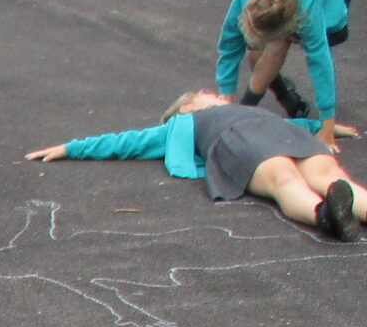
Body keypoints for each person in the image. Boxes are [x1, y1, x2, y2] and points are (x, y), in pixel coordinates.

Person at [25, 89, 361, 242]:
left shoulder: (240, 110)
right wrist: (71, 148)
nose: (213, 93)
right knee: (285, 178)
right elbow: (127, 141)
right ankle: (326, 215)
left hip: (277, 131)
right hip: (242, 137)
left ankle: (333, 212)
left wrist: (325, 127)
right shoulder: (182, 123)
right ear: (186, 108)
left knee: (323, 175)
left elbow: (296, 123)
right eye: (203, 93)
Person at [217, 0, 359, 150]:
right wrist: (226, 103)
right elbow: (229, 51)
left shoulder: (308, 10)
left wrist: (327, 127)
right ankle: (256, 106)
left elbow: (320, 64)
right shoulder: (243, 1)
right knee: (257, 51)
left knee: (290, 42)